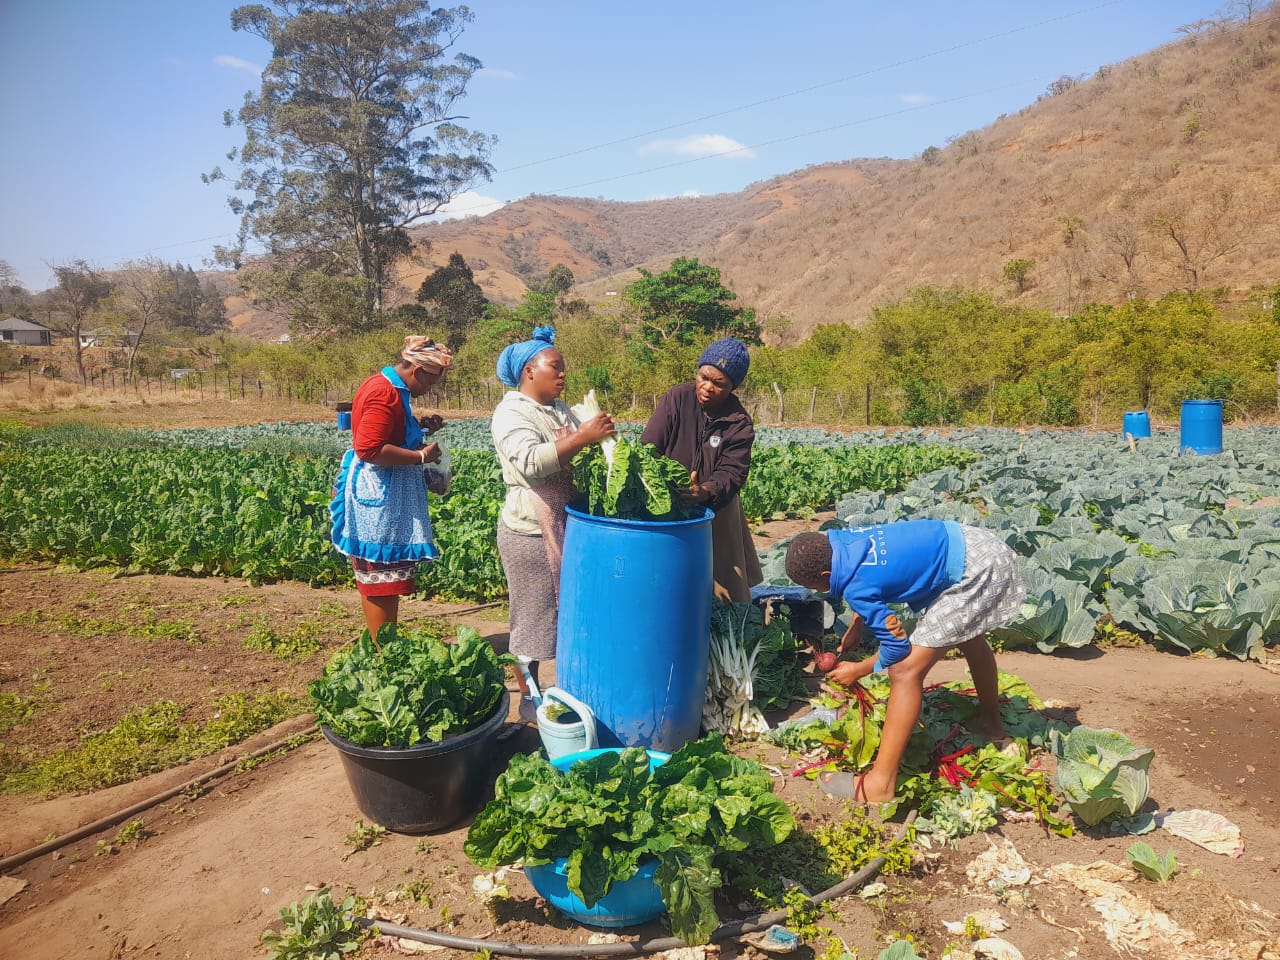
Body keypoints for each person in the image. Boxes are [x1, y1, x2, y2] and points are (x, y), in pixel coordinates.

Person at [784, 520, 1026, 803]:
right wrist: (857, 625)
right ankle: (990, 723)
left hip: (978, 571)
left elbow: (898, 648)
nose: (819, 592)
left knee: (904, 671)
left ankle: (879, 785)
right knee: (969, 638)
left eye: (815, 587)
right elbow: (868, 573)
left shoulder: (855, 587)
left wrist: (860, 669)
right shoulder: (843, 542)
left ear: (825, 575)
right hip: (974, 543)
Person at [490, 326, 616, 721]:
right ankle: (530, 699)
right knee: (531, 619)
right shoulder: (511, 412)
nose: (563, 375)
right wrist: (584, 437)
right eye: (555, 367)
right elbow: (530, 462)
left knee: (567, 614)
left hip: (566, 524)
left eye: (564, 368)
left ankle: (566, 692)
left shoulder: (559, 410)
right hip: (530, 530)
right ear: (529, 371)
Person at [330, 336, 452, 637]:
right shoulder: (383, 393)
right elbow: (370, 449)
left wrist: (421, 429)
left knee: (386, 576)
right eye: (431, 381)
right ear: (417, 371)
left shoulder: (394, 391)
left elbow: (391, 434)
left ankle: (386, 642)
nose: (430, 388)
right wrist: (421, 455)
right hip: (378, 495)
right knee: (378, 575)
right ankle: (382, 649)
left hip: (390, 493)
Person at [640, 337, 763, 602]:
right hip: (667, 505)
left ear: (732, 387)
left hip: (717, 509)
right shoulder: (677, 398)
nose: (707, 388)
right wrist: (664, 488)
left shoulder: (738, 421)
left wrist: (705, 490)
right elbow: (649, 448)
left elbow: (733, 472)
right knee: (671, 583)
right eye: (704, 377)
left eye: (720, 384)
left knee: (726, 590)